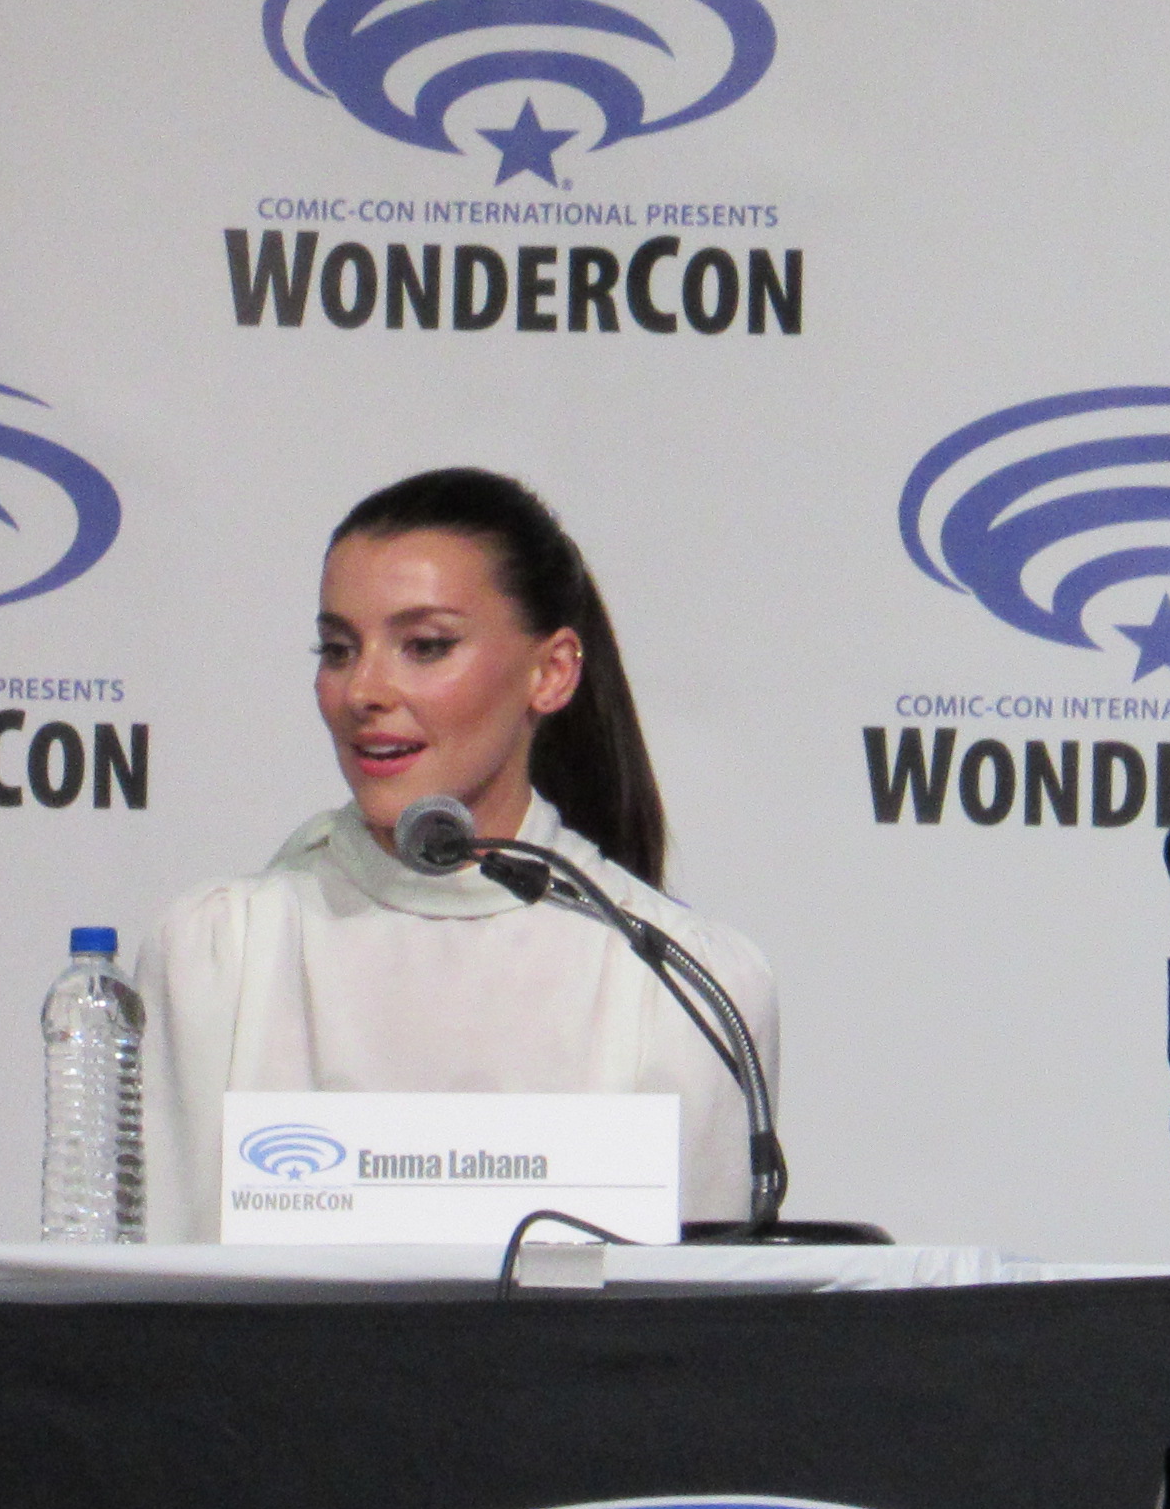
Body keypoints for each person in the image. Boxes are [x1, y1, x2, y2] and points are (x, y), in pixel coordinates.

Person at [132, 467, 778, 1240]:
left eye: (426, 646)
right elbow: (149, 1291)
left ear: (551, 672)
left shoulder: (680, 984)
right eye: (338, 649)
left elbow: (699, 1311)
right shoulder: (217, 954)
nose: (363, 691)